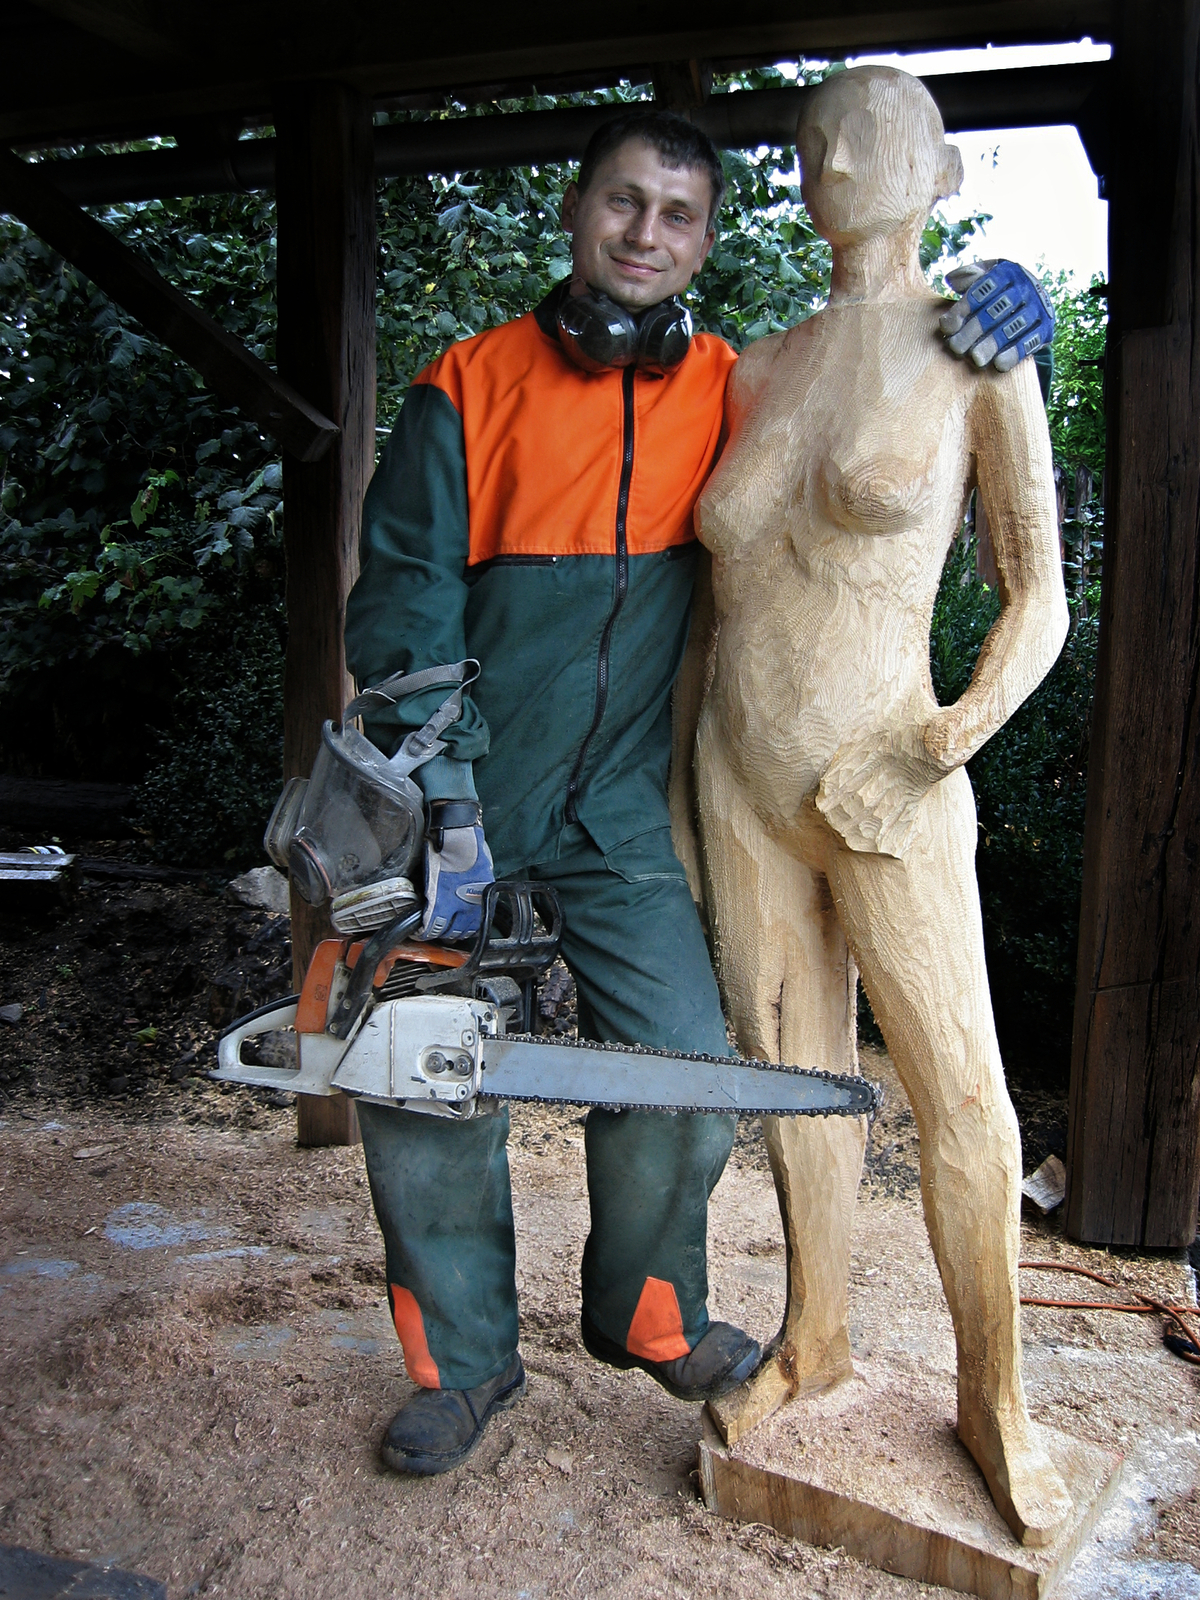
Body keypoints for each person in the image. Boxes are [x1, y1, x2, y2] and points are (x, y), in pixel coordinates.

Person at [343, 105, 1051, 1478]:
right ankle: (463, 1363)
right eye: (623, 202)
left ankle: (650, 1313)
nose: (645, 234)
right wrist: (445, 797)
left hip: (621, 803)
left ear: (709, 239)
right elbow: (403, 603)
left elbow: (897, 373)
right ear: (576, 209)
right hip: (461, 790)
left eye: (678, 215)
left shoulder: (727, 382)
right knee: (426, 1071)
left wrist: (1010, 296)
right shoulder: (467, 387)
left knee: (687, 1064)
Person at [690, 66, 1072, 1545]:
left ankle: (997, 1401)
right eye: (816, 137)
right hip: (741, 780)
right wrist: (684, 788)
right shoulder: (756, 365)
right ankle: (815, 1336)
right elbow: (707, 602)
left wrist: (944, 740)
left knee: (960, 1089)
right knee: (794, 1071)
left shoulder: (977, 348)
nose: (841, 156)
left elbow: (1038, 599)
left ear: (943, 168)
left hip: (890, 779)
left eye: (878, 133)